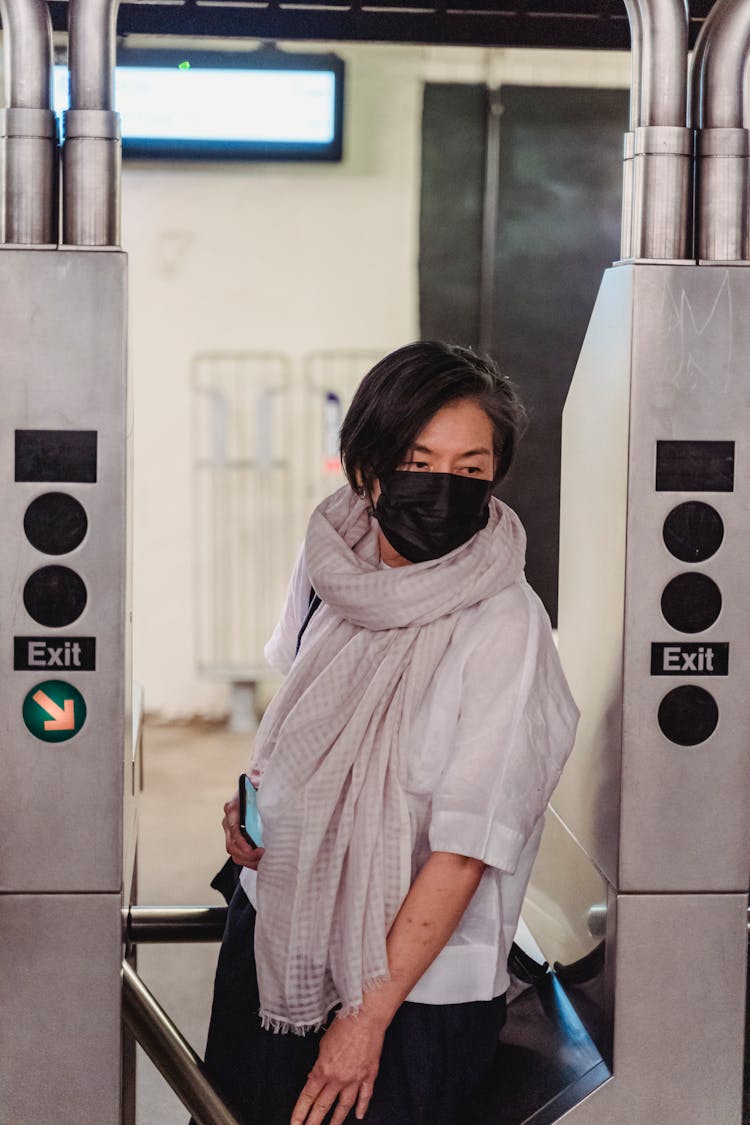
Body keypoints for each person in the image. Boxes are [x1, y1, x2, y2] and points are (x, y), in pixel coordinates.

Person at [203, 341, 579, 1125]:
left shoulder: (505, 626)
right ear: (368, 465)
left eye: (471, 470)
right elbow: (297, 731)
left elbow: (467, 847)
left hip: (408, 999)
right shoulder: (328, 565)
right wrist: (253, 811)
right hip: (276, 940)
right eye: (419, 460)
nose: (444, 488)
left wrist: (364, 1021)